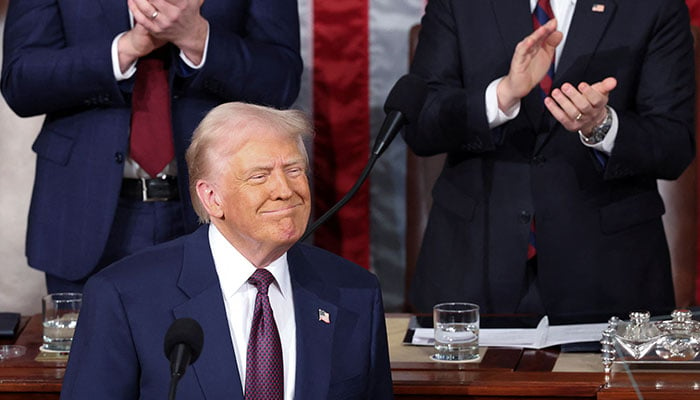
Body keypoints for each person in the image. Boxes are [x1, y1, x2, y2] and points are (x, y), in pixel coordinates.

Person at [59, 102, 394, 399]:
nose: (285, 190)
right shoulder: (123, 297)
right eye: (259, 176)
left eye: (293, 170)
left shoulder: (355, 292)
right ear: (212, 198)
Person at [405, 0, 695, 318]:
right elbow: (420, 125)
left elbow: (674, 146)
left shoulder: (655, 6)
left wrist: (602, 126)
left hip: (607, 278)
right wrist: (499, 98)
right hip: (472, 271)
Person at [1, 0, 302, 293]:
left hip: (218, 206)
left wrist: (197, 38)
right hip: (83, 208)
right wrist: (126, 49)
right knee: (86, 342)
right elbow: (21, 81)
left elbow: (282, 82)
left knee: (217, 342)